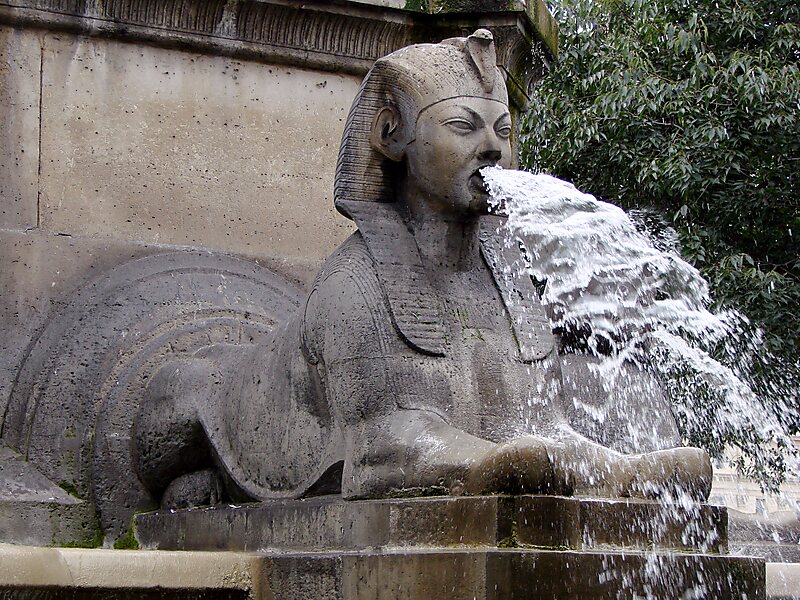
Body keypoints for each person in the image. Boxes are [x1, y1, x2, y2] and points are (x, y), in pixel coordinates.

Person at [134, 30, 712, 507]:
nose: (493, 149)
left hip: (483, 452)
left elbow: (542, 428)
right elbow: (380, 451)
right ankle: (208, 470)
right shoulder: (352, 286)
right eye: (464, 127)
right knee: (177, 399)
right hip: (235, 411)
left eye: (502, 131)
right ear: (393, 135)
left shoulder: (510, 281)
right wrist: (489, 463)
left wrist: (612, 469)